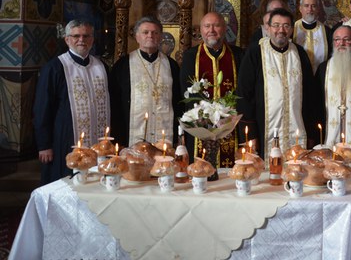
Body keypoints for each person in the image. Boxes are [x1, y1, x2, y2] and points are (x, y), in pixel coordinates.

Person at [34, 20, 110, 184]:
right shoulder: (55, 67)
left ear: (92, 39)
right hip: (65, 138)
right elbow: (42, 108)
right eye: (76, 36)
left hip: (98, 140)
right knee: (67, 183)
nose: (81, 40)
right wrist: (44, 144)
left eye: (86, 36)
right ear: (67, 40)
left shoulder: (101, 66)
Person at [236, 8, 317, 157]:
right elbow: (244, 94)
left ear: (291, 29)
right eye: (276, 25)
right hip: (263, 130)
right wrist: (250, 134)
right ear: (268, 28)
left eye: (286, 26)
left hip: (297, 130)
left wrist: (311, 133)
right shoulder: (255, 52)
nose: (281, 30)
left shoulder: (300, 53)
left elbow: (311, 95)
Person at [180, 11, 244, 166]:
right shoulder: (191, 56)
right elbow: (185, 92)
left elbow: (243, 92)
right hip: (199, 126)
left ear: (225, 28)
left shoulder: (238, 55)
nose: (211, 30)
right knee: (200, 169)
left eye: (216, 25)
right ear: (201, 29)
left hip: (231, 126)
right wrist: (202, 120)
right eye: (207, 26)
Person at [109, 17, 182, 147]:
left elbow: (178, 102)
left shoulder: (172, 66)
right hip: (131, 137)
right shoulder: (123, 65)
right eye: (145, 32)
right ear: (137, 37)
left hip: (165, 137)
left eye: (155, 32)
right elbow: (115, 105)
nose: (150, 36)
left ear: (160, 37)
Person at [315, 26, 351, 147]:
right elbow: (316, 106)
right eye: (337, 39)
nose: (341, 43)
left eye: (347, 39)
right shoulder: (323, 69)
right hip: (328, 137)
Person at [293, 0, 332, 74]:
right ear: (300, 8)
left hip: (320, 75)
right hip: (299, 74)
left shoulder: (326, 31)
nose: (310, 9)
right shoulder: (292, 29)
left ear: (318, 9)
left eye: (313, 6)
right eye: (306, 6)